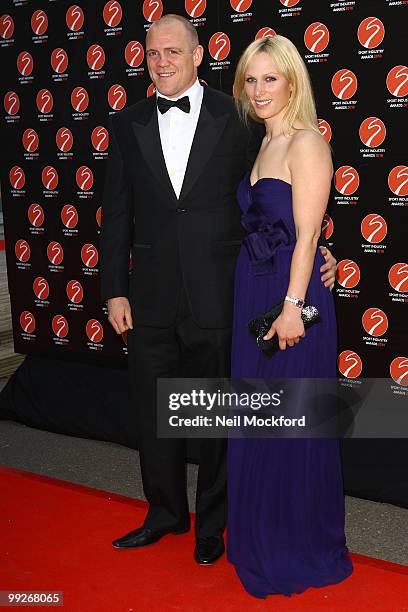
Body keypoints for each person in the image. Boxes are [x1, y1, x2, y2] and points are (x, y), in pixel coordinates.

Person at [100, 15, 337, 565]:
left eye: (174, 50)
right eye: (153, 51)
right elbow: (116, 214)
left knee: (214, 416)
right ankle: (163, 514)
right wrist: (114, 289)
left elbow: (294, 191)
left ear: (198, 53)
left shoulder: (240, 117)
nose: (163, 60)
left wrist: (322, 250)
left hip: (224, 293)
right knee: (156, 412)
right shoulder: (128, 122)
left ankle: (212, 526)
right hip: (151, 295)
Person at [227, 35, 353, 597]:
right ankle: (259, 534)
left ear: (293, 81)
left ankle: (295, 544)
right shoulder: (262, 145)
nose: (258, 91)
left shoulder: (307, 142)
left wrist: (294, 308)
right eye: (250, 80)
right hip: (253, 292)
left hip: (288, 300)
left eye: (270, 79)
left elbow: (307, 237)